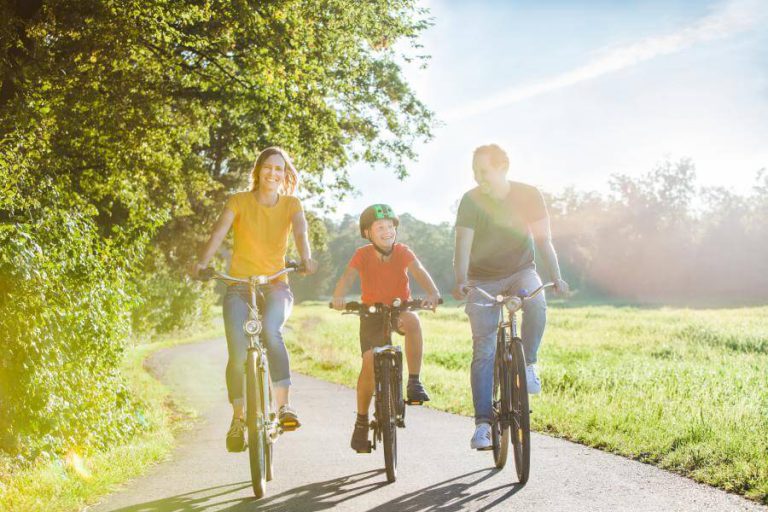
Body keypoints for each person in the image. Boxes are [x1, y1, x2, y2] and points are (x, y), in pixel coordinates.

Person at [190, 146, 318, 452]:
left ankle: (284, 407)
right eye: (268, 167)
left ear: (284, 175)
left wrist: (306, 258)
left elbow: (301, 232)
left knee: (272, 332)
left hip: (275, 284)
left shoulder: (291, 204)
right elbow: (219, 232)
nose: (273, 173)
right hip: (239, 285)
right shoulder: (239, 201)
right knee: (237, 353)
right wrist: (202, 263)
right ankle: (238, 418)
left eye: (279, 169)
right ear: (258, 171)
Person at [452, 144, 569, 450]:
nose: (478, 177)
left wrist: (556, 276)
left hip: (521, 271)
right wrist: (461, 280)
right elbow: (462, 245)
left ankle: (528, 363)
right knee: (484, 350)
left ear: (502, 167)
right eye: (475, 171)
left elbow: (543, 240)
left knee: (537, 302)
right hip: (482, 279)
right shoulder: (471, 200)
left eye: (484, 171)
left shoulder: (529, 194)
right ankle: (483, 425)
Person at [332, 204, 441, 452]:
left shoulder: (402, 251)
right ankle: (361, 421)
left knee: (413, 321)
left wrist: (433, 293)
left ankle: (414, 382)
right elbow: (348, 277)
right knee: (369, 360)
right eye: (380, 227)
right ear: (367, 233)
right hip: (371, 314)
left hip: (398, 309)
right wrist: (339, 297)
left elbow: (419, 271)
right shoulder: (362, 254)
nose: (387, 231)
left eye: (390, 226)